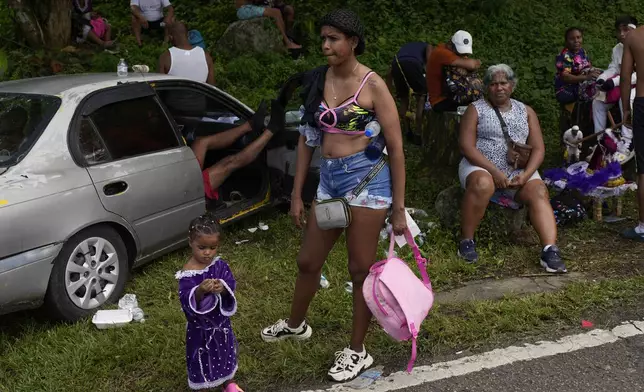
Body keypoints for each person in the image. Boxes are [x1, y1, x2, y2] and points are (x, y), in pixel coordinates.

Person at [260, 9, 407, 383]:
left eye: (333, 39)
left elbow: (396, 148)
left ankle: (358, 351)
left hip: (368, 182)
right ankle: (296, 325)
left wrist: (399, 210)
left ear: (352, 42)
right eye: (323, 38)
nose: (325, 46)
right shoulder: (317, 80)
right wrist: (297, 194)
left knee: (360, 270)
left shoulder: (372, 85)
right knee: (308, 262)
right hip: (329, 183)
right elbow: (308, 138)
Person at [457, 64, 567, 273]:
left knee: (539, 190)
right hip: (480, 166)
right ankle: (466, 241)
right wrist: (495, 172)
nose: (499, 88)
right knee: (482, 183)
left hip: (518, 171)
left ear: (512, 85)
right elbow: (466, 146)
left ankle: (550, 250)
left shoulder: (525, 111)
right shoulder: (475, 109)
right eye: (494, 83)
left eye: (504, 83)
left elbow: (539, 148)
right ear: (487, 87)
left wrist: (526, 175)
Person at [175, 213, 244, 392]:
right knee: (202, 358)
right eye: (202, 247)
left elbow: (230, 283)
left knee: (225, 352)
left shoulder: (219, 265)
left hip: (221, 324)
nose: (207, 252)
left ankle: (228, 382)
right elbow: (185, 300)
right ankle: (203, 386)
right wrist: (199, 291)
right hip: (200, 331)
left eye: (213, 247)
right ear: (190, 242)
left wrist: (222, 288)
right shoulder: (187, 274)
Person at [191, 99, 284, 202]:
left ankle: (250, 125)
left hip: (181, 178)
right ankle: (273, 128)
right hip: (188, 193)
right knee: (228, 162)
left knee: (200, 142)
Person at [592, 16, 638, 161]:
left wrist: (616, 82)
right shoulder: (617, 49)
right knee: (597, 101)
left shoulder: (641, 45)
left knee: (626, 98)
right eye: (619, 31)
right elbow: (613, 68)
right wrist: (603, 79)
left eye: (626, 29)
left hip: (639, 84)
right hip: (623, 83)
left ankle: (628, 140)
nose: (622, 34)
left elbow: (640, 73)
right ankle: (601, 141)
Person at [620, 25, 644, 242]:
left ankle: (643, 227)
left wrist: (625, 109)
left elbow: (625, 77)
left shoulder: (634, 36)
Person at [425, 30, 482, 113]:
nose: (463, 55)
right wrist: (467, 66)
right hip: (441, 101)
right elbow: (473, 64)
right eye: (460, 51)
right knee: (479, 108)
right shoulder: (442, 53)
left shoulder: (452, 54)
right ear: (450, 44)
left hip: (453, 99)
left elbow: (477, 64)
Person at [386, 41, 431, 142]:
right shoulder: (428, 46)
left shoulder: (406, 49)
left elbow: (389, 73)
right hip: (413, 64)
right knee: (422, 96)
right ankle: (418, 134)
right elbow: (430, 63)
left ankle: (407, 131)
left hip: (396, 65)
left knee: (404, 98)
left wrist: (389, 93)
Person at [554, 27, 602, 104]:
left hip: (581, 83)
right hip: (567, 90)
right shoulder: (564, 56)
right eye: (572, 39)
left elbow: (588, 67)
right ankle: (595, 113)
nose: (576, 41)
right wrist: (586, 77)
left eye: (578, 37)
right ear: (566, 41)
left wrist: (595, 73)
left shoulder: (582, 51)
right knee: (597, 89)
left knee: (604, 78)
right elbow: (566, 77)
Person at [234, 0, 301, 50]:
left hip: (257, 6)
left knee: (288, 10)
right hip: (245, 9)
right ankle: (287, 43)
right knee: (276, 13)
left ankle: (288, 37)